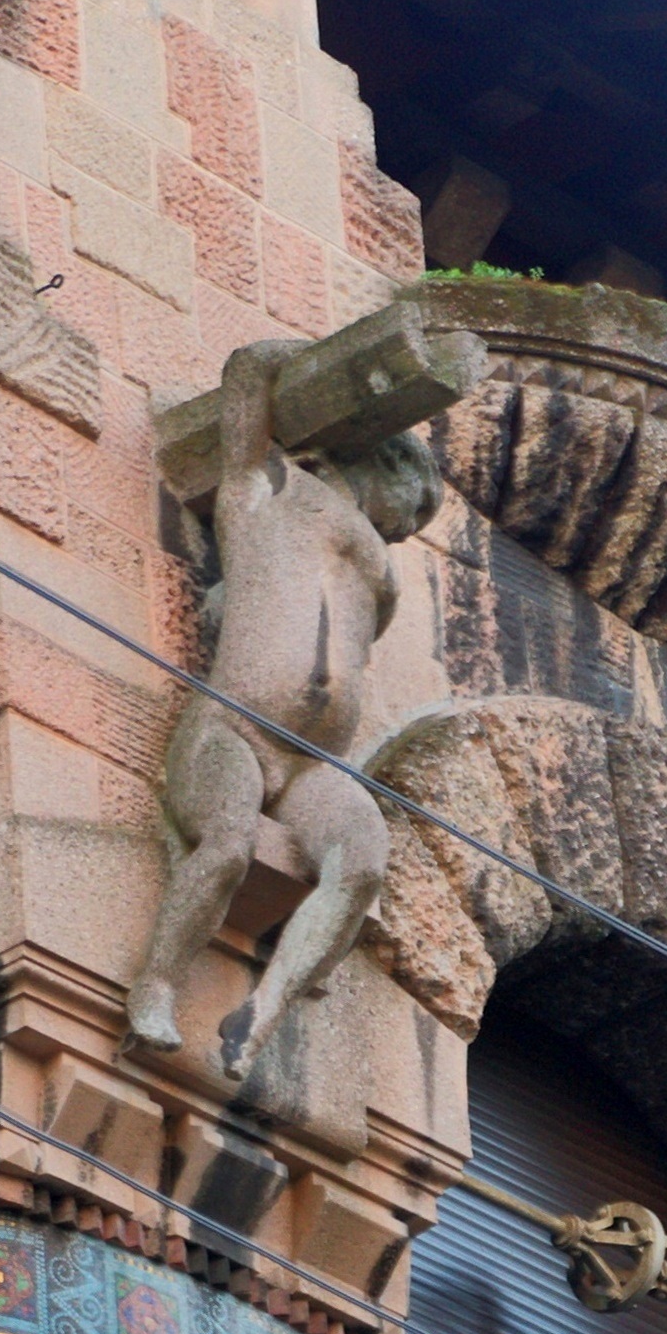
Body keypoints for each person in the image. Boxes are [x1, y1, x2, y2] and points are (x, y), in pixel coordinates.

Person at [125, 336, 443, 1079]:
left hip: (310, 761)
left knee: (363, 861)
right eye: (413, 504)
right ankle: (157, 984)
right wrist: (352, 366)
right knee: (228, 847)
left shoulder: (382, 576)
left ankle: (259, 1017)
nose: (410, 523)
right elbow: (245, 370)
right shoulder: (263, 492)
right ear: (381, 463)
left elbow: (360, 639)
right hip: (233, 728)